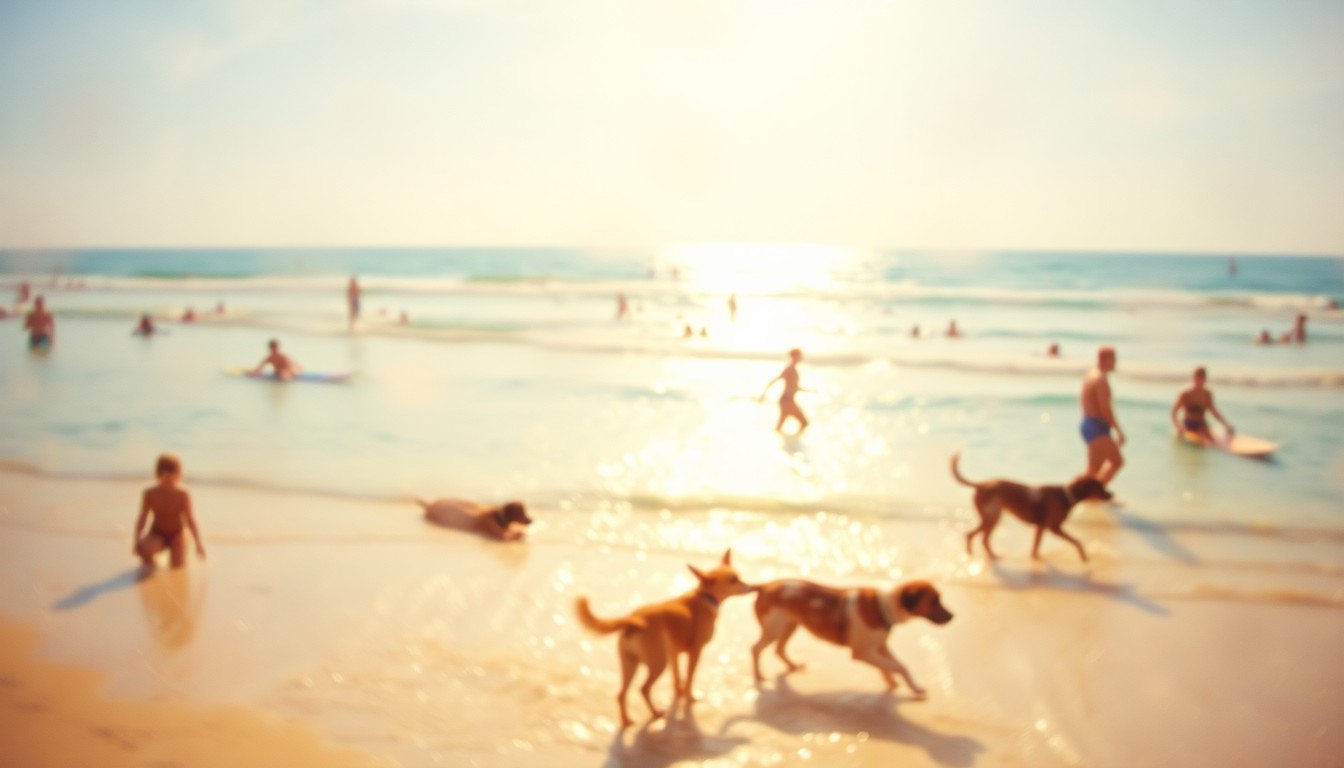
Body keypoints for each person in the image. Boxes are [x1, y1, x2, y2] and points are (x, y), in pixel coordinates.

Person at [133, 453, 206, 569]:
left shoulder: (183, 494)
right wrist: (137, 539)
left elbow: (191, 519)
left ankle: (179, 549)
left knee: (177, 566)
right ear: (158, 474)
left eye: (171, 475)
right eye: (163, 475)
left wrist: (198, 543)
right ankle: (153, 564)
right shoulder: (150, 493)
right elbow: (142, 517)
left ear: (178, 475)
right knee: (144, 553)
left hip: (177, 533)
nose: (167, 479)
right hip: (157, 532)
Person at [1080, 346, 1124, 486]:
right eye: (1114, 359)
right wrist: (1119, 431)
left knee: (1093, 469)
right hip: (1096, 426)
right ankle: (1091, 494)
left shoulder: (1091, 375)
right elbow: (1105, 409)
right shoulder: (1100, 380)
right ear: (1105, 359)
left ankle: (1090, 494)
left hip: (1089, 423)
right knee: (1116, 462)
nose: (1116, 363)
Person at [1171, 366, 1233, 443]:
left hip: (1202, 424)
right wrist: (1178, 426)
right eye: (1196, 377)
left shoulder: (1207, 394)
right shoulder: (1186, 393)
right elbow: (1174, 412)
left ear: (1205, 379)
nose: (1198, 380)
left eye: (1201, 377)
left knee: (1213, 441)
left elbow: (1214, 412)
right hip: (1188, 424)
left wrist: (1226, 425)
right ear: (1193, 377)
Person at [759, 348, 809, 435]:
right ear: (794, 356)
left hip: (787, 400)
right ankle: (793, 443)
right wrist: (763, 394)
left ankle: (784, 443)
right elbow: (774, 380)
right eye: (799, 355)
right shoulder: (789, 369)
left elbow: (794, 387)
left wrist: (808, 391)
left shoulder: (793, 369)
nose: (801, 357)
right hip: (787, 400)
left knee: (779, 427)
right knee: (804, 423)